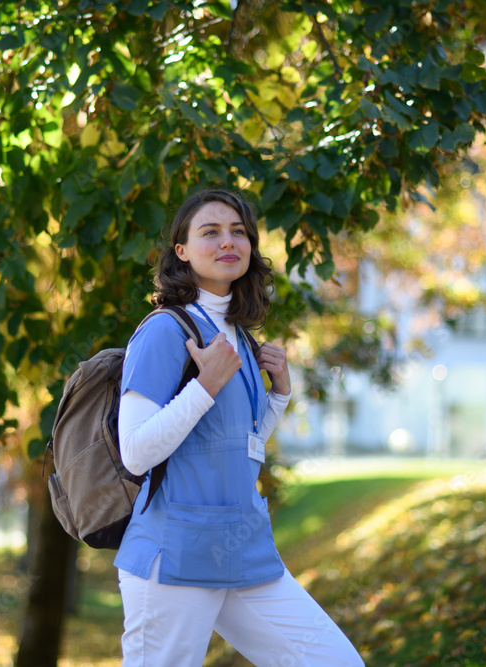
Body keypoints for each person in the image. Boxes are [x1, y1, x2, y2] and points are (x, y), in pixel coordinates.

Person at [115, 187, 365, 666]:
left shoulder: (241, 339)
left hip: (243, 551)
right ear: (182, 252)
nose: (228, 242)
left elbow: (241, 446)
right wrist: (203, 386)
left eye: (238, 232)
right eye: (210, 232)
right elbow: (136, 452)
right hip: (175, 556)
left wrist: (280, 394)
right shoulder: (165, 331)